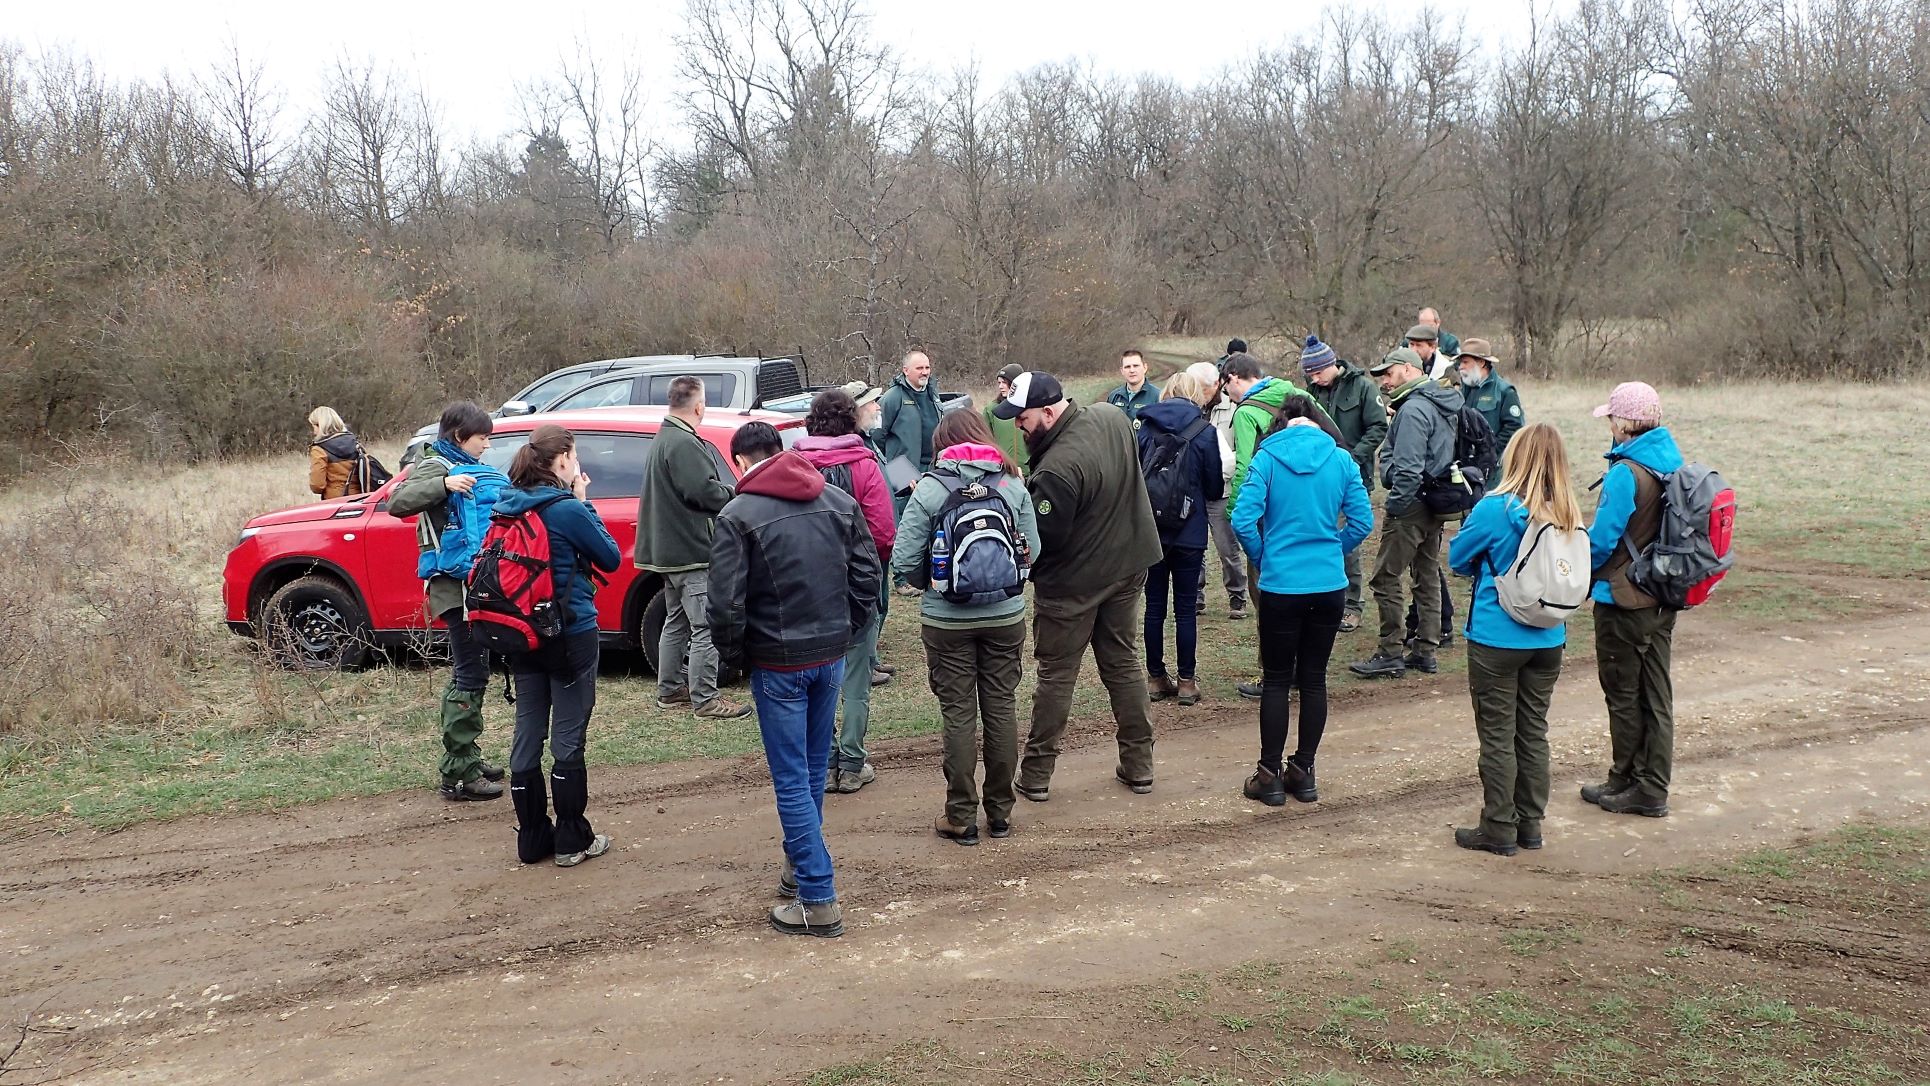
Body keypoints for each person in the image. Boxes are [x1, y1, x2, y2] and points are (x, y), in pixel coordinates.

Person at [709, 422, 881, 938]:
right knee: (806, 772)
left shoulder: (737, 515)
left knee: (793, 777)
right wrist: (846, 629)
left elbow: (725, 603)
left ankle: (818, 895)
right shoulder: (835, 499)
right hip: (827, 654)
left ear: (740, 462)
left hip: (780, 661)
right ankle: (799, 868)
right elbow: (868, 575)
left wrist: (737, 660)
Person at [995, 371, 1162, 800]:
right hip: (1128, 564)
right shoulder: (1112, 416)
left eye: (1023, 417)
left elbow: (1042, 543)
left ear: (1049, 412)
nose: (1018, 425)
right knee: (1123, 662)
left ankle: (1035, 775)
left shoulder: (1056, 470)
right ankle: (1139, 764)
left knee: (1056, 675)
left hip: (1073, 586)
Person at [893, 410, 1039, 845]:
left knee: (958, 715)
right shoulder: (1012, 484)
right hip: (1005, 616)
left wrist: (935, 583)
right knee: (1001, 709)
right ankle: (1000, 814)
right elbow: (1035, 551)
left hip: (945, 622)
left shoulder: (931, 488)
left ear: (944, 445)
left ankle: (960, 815)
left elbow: (902, 561)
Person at [1446, 423, 1580, 855]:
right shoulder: (1568, 514)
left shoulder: (1494, 509)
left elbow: (1458, 559)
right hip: (1548, 636)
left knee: (1498, 736)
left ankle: (1499, 826)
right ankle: (1531, 823)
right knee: (1533, 731)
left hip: (1496, 638)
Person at [492, 425, 623, 867]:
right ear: (563, 460)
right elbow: (610, 558)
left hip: (520, 632)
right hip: (569, 632)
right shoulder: (567, 508)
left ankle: (531, 839)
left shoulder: (506, 503)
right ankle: (571, 839)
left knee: (528, 730)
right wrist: (585, 504)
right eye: (574, 455)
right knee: (568, 734)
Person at [1232, 399, 1372, 806]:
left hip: (1281, 584)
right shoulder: (1342, 459)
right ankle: (1304, 770)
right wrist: (1332, 549)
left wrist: (1263, 556)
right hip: (1328, 585)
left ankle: (1268, 775)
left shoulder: (1268, 457)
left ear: (1281, 423)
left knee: (1277, 679)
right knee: (1314, 678)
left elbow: (1242, 519)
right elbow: (1362, 521)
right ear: (1316, 422)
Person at [386, 401, 507, 802]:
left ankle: (467, 757)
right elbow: (397, 502)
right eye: (482, 438)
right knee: (469, 674)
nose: (487, 446)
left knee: (474, 670)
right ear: (459, 437)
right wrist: (443, 486)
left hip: (471, 585)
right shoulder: (436, 466)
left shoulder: (458, 465)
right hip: (454, 589)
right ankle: (459, 772)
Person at [1582, 382, 1682, 819]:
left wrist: (1574, 572)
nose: (1609, 425)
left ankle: (1633, 782)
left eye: (1611, 418)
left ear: (1624, 422)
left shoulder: (1626, 472)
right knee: (1655, 694)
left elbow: (1602, 541)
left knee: (1623, 693)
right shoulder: (1671, 462)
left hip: (1624, 598)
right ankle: (1645, 783)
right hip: (1662, 593)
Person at [796, 388, 898, 793]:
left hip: (807, 586)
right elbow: (884, 532)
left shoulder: (796, 465)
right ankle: (852, 763)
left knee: (815, 679)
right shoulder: (866, 465)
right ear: (851, 420)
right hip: (856, 586)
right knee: (856, 677)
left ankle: (822, 762)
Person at [1223, 352, 1341, 699]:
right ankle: (1306, 672)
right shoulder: (1295, 395)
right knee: (1314, 598)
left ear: (1233, 378)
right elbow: (1332, 437)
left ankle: (1275, 673)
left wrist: (1235, 513)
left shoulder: (1246, 411)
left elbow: (1245, 467)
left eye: (1225, 386)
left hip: (1268, 519)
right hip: (1316, 510)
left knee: (1269, 600)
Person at [635, 376, 749, 720]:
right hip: (690, 551)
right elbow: (703, 492)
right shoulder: (683, 442)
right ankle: (705, 700)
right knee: (704, 625)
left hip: (671, 552)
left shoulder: (666, 436)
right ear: (699, 406)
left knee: (677, 620)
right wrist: (736, 491)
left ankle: (670, 690)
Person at [1351, 347, 1464, 680]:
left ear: (1408, 370)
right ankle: (1425, 650)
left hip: (1412, 504)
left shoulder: (1414, 409)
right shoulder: (1439, 402)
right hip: (1434, 502)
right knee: (1426, 574)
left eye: (1389, 373)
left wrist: (1396, 505)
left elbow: (1409, 469)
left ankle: (1390, 651)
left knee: (1385, 577)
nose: (1384, 381)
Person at [1138, 371, 1224, 707]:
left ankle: (1156, 678)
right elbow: (1215, 487)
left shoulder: (1144, 428)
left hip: (1151, 531)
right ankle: (1187, 681)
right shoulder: (1205, 431)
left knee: (1154, 607)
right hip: (1189, 531)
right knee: (1186, 609)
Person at [1302, 335, 1388, 632]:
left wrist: (1354, 456)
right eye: (1309, 374)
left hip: (1352, 476)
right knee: (1318, 535)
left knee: (1347, 543)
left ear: (1330, 365)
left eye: (1317, 372)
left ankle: (1351, 605)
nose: (1314, 378)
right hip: (1318, 479)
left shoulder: (1363, 387)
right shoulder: (1312, 392)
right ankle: (1323, 598)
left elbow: (1379, 426)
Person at [1187, 360, 1245, 619]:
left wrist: (1220, 467)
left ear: (1216, 384)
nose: (1196, 392)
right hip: (1193, 489)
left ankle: (1237, 596)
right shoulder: (1188, 409)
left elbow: (1239, 451)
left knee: (1226, 546)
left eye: (1200, 387)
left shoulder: (1233, 411)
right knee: (1193, 546)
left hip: (1221, 489)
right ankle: (1195, 597)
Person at [876, 349, 942, 512]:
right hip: (904, 474)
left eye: (927, 368)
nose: (925, 372)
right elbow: (877, 438)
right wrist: (899, 472)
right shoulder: (892, 398)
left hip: (933, 469)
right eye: (919, 368)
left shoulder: (933, 394)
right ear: (906, 370)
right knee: (907, 518)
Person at [1455, 338, 1524, 451]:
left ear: (1481, 363)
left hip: (1493, 464)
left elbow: (1514, 428)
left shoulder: (1504, 392)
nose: (1460, 367)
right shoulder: (1462, 390)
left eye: (1465, 362)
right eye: (1460, 362)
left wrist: (1491, 451)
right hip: (1466, 462)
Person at [307, 407, 367, 500]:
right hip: (360, 499)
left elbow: (317, 485)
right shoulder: (355, 443)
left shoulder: (319, 449)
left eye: (314, 427)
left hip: (335, 502)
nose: (313, 432)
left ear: (320, 425)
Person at [982, 364, 1030, 474]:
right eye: (999, 383)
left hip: (1030, 471)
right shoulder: (991, 409)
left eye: (1004, 382)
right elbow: (985, 442)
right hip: (1005, 472)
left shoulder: (1030, 407)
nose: (1000, 386)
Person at [1106, 349, 1161, 422]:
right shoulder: (1114, 396)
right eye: (1127, 367)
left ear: (1145, 368)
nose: (1132, 370)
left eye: (1136, 366)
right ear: (1122, 371)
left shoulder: (1158, 396)